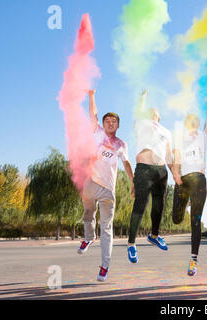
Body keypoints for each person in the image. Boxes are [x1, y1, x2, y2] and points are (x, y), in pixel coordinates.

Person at [78, 89, 134, 282]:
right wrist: (91, 95)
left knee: (107, 228)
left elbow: (126, 163)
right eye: (107, 120)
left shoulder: (121, 144)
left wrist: (133, 182)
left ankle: (104, 266)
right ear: (102, 124)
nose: (110, 123)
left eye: (114, 121)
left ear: (118, 125)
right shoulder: (97, 133)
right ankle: (88, 237)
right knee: (87, 214)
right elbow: (92, 113)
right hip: (90, 182)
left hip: (108, 189)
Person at [127, 90, 181, 264]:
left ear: (159, 117)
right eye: (150, 111)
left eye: (155, 112)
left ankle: (154, 235)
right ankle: (131, 244)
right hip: (144, 168)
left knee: (159, 205)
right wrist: (142, 98)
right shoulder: (142, 123)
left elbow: (168, 156)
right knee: (140, 205)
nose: (152, 112)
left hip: (161, 171)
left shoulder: (166, 132)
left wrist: (174, 172)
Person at [172, 111, 207, 276]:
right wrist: (175, 173)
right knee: (176, 218)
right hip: (184, 181)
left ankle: (193, 259)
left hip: (199, 180)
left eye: (196, 122)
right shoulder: (181, 139)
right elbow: (176, 159)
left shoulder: (203, 136)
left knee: (196, 220)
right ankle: (185, 202)